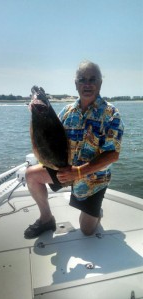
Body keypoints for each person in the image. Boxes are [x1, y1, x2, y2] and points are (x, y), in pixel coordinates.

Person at [24, 60, 124, 239]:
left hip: (93, 179)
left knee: (87, 231)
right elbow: (47, 137)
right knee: (31, 175)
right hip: (64, 169)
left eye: (93, 79)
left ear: (100, 83)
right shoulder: (67, 111)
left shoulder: (111, 114)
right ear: (76, 84)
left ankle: (96, 213)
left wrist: (78, 172)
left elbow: (112, 154)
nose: (87, 84)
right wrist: (35, 116)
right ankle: (46, 218)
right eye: (82, 79)